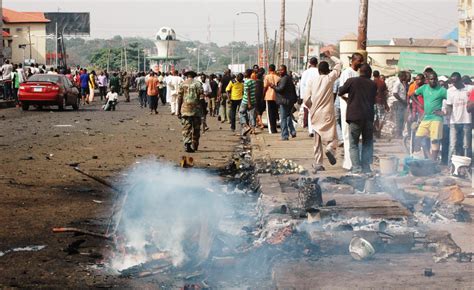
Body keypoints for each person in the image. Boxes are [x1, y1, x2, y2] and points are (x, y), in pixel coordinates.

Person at [303, 51, 342, 172]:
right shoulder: (330, 78)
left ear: (318, 70)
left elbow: (305, 99)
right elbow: (340, 63)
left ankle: (318, 162)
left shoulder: (311, 81)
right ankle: (330, 148)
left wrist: (311, 107)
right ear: (328, 70)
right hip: (327, 112)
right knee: (333, 135)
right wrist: (331, 56)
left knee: (317, 139)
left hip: (315, 113)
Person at [338, 64, 377, 174]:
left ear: (360, 71)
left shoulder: (352, 81)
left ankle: (356, 168)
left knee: (354, 143)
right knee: (367, 143)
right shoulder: (373, 84)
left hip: (354, 116)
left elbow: (340, 91)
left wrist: (349, 98)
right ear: (369, 73)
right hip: (368, 117)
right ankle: (366, 167)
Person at [411, 72, 447, 161]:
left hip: (436, 118)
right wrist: (419, 104)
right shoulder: (424, 88)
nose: (433, 81)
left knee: (434, 140)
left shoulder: (442, 90)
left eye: (435, 79)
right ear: (428, 80)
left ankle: (433, 163)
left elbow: (450, 101)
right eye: (431, 79)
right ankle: (416, 158)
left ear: (437, 80)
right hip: (426, 117)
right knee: (417, 138)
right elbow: (412, 95)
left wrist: (444, 112)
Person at [338, 52, 364, 171]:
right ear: (353, 61)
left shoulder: (358, 74)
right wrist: (351, 100)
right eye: (359, 61)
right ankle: (348, 163)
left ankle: (353, 161)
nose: (361, 63)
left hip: (356, 108)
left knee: (355, 137)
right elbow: (341, 91)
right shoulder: (346, 73)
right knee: (347, 135)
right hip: (347, 107)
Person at [445, 72, 472, 162]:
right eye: (453, 82)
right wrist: (448, 117)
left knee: (466, 145)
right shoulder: (450, 91)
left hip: (466, 121)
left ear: (460, 80)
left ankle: (466, 165)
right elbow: (449, 105)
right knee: (453, 145)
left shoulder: (470, 89)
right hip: (454, 121)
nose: (454, 84)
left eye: (456, 82)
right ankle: (451, 166)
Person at [177, 71, 203, 153]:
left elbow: (179, 98)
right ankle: (195, 143)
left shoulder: (182, 84)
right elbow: (201, 98)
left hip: (185, 109)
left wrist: (178, 110)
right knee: (196, 128)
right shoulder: (198, 84)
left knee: (186, 128)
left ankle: (187, 144)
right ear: (194, 76)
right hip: (196, 110)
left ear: (187, 76)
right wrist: (204, 109)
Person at [272, 65, 297, 141]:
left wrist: (273, 86)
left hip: (284, 101)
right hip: (289, 100)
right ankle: (292, 131)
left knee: (283, 118)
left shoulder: (284, 79)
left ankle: (285, 135)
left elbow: (280, 89)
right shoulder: (288, 78)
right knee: (288, 116)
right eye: (279, 70)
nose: (280, 71)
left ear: (285, 70)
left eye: (281, 70)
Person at [300, 57, 319, 137]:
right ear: (316, 63)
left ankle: (311, 130)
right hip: (317, 94)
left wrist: (302, 96)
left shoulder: (306, 72)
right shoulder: (319, 71)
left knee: (309, 112)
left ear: (310, 63)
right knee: (317, 112)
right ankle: (315, 129)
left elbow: (302, 84)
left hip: (307, 94)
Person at [263, 64, 280, 134]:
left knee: (269, 114)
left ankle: (271, 129)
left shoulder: (267, 77)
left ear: (269, 69)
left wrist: (262, 95)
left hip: (268, 96)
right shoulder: (278, 77)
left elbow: (265, 87)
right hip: (276, 96)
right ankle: (274, 128)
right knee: (275, 112)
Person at [239, 69, 257, 136]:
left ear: (247, 74)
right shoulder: (254, 81)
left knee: (241, 113)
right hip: (253, 100)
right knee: (252, 115)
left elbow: (248, 92)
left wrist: (249, 103)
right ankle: (253, 129)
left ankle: (246, 126)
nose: (244, 73)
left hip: (246, 101)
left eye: (245, 73)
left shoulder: (247, 82)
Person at [373, 70, 389, 138]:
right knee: (382, 117)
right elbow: (385, 94)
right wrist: (386, 104)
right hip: (380, 102)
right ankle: (378, 131)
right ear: (379, 75)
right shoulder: (382, 83)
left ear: (373, 75)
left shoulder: (371, 82)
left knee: (374, 117)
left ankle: (374, 131)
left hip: (372, 102)